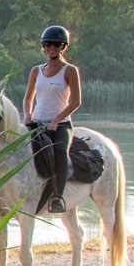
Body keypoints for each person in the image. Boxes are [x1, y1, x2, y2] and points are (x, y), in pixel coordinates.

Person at [23, 25, 80, 214]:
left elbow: (76, 101)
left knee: (60, 152)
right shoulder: (36, 71)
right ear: (43, 46)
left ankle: (57, 197)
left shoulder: (70, 71)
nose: (51, 48)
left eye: (56, 45)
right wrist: (27, 116)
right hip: (37, 122)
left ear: (63, 47)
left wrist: (57, 120)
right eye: (48, 44)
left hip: (60, 125)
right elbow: (28, 98)